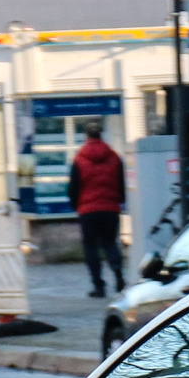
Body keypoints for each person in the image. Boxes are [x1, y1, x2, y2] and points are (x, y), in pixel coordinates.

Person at [68, 121, 126, 297]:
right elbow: (121, 183)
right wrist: (119, 201)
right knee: (110, 243)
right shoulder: (115, 157)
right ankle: (118, 274)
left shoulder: (79, 159)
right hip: (110, 208)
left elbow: (74, 187)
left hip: (88, 211)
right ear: (101, 135)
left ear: (86, 136)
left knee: (90, 247)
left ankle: (98, 286)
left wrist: (76, 204)